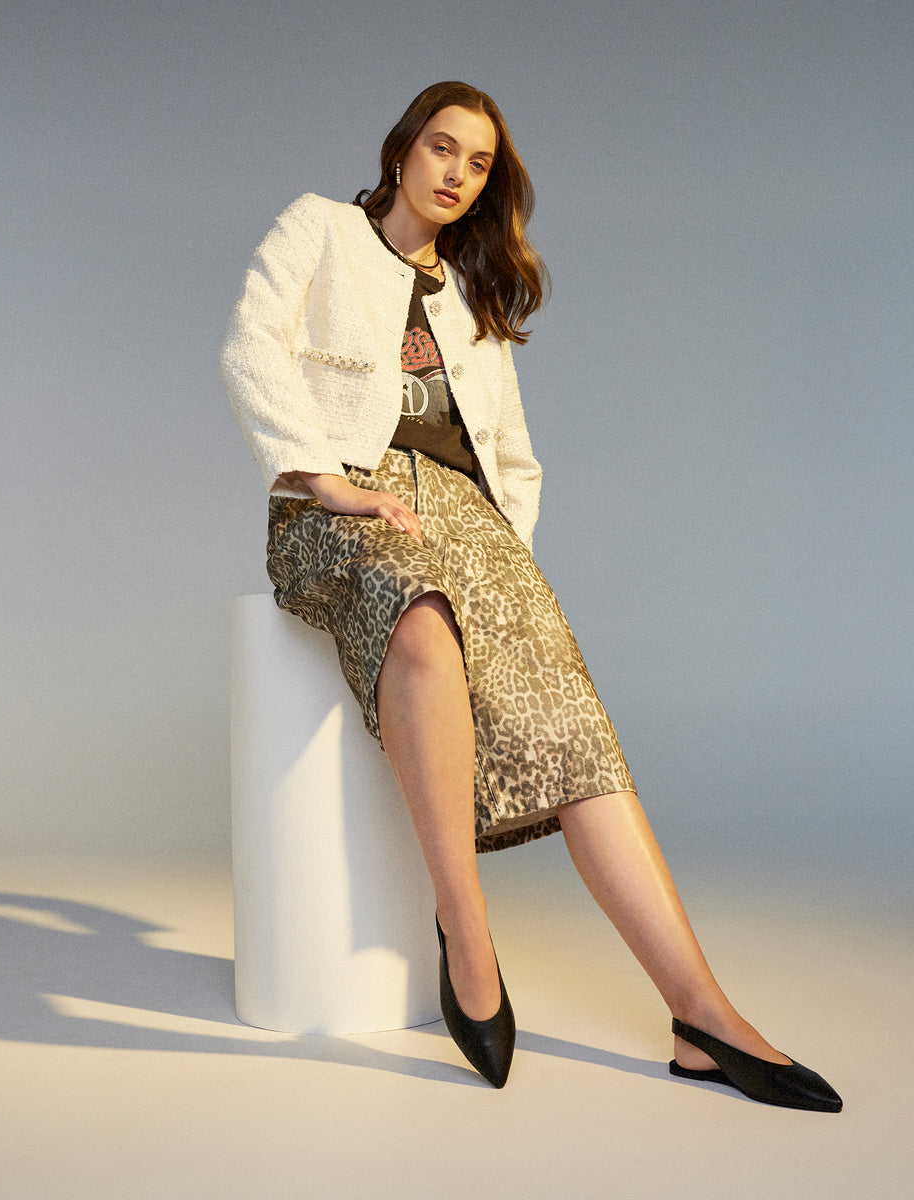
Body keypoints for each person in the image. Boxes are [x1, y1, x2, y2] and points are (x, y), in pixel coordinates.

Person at [220, 81, 841, 1111]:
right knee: (422, 625)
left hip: (473, 526)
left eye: (478, 164)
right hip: (344, 504)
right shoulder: (318, 228)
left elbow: (512, 457)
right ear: (403, 149)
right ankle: (464, 925)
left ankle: (701, 1015)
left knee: (575, 732)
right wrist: (323, 479)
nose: (457, 174)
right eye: (442, 148)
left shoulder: (471, 300)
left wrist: (510, 566)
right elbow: (250, 342)